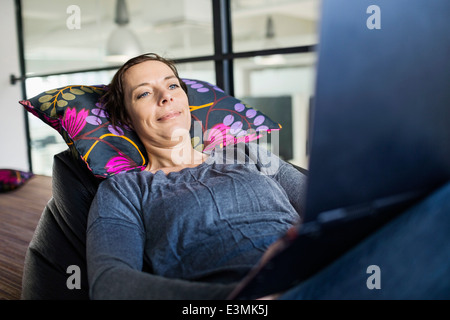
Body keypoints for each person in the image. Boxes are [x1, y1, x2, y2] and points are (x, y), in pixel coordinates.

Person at [86, 53, 308, 299]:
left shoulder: (248, 153)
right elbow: (109, 283)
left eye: (172, 85)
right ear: (127, 117)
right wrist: (245, 295)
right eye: (144, 93)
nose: (166, 96)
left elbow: (328, 205)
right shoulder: (126, 190)